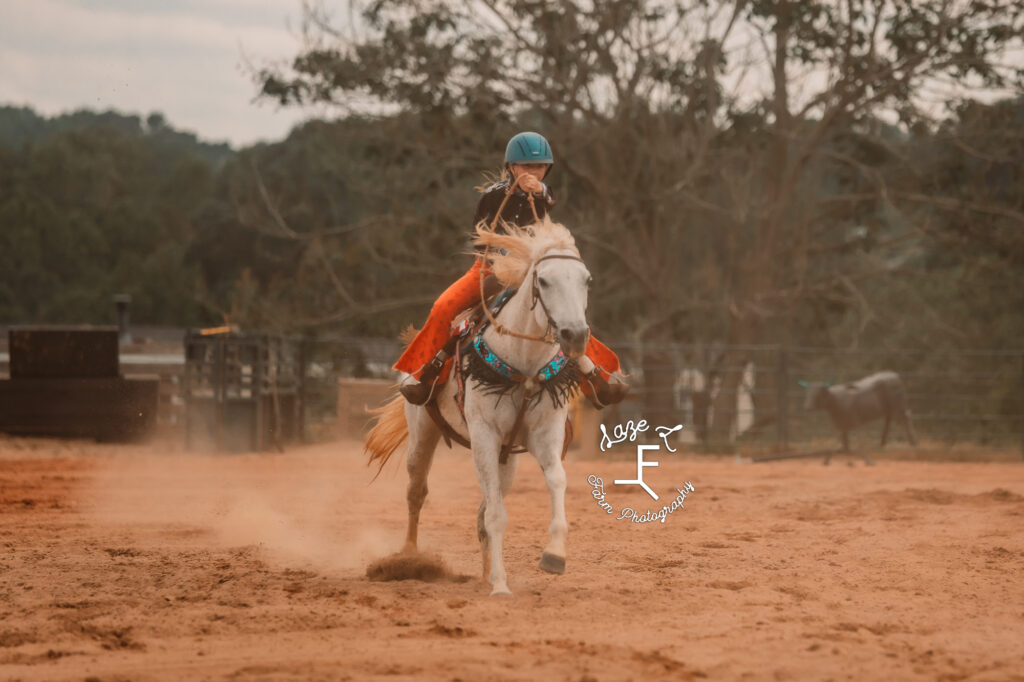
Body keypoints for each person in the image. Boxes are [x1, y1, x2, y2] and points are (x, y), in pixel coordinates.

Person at [394, 131, 627, 408]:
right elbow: (478, 238)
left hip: (529, 275)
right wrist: (503, 256)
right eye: (527, 166)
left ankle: (596, 376)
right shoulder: (492, 197)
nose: (533, 172)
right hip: (487, 271)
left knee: (568, 316)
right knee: (444, 306)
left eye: (539, 167)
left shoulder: (543, 194)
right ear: (512, 167)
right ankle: (426, 375)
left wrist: (538, 191)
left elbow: (550, 198)